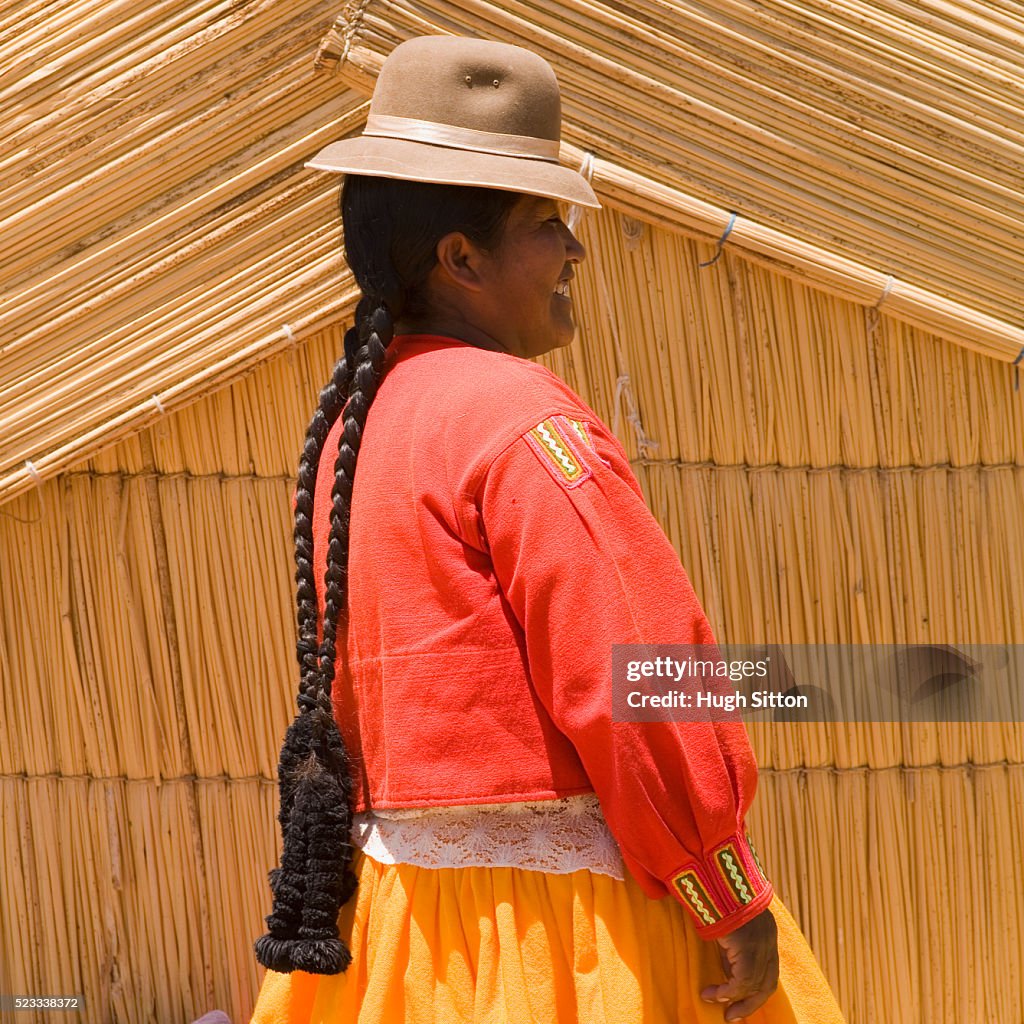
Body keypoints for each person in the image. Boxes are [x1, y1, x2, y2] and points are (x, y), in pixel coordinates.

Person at [249, 34, 846, 1024]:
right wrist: (721, 884)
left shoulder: (362, 424)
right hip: (557, 937)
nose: (573, 247)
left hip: (410, 930)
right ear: (460, 257)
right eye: (545, 223)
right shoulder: (522, 420)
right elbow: (630, 672)